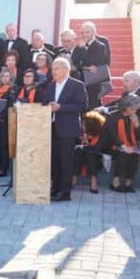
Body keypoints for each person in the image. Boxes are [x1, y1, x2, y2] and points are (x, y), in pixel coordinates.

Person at [43, 57, 88, 202]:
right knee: (54, 160)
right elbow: (45, 103)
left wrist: (61, 107)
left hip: (68, 129)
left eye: (56, 68)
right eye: (52, 68)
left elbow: (83, 106)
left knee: (65, 161)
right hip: (52, 127)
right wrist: (48, 106)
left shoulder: (77, 85)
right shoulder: (50, 86)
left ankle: (65, 192)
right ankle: (55, 188)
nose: (53, 71)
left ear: (65, 69)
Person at [106, 95, 140, 193]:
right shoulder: (113, 116)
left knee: (135, 155)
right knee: (123, 154)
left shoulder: (132, 117)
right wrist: (123, 146)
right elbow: (112, 134)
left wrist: (137, 125)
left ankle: (128, 184)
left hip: (128, 145)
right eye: (133, 108)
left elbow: (138, 137)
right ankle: (115, 183)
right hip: (112, 145)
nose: (135, 111)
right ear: (126, 107)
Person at [72, 111, 108, 194]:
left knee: (90, 154)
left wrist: (87, 144)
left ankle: (93, 179)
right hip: (80, 157)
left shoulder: (103, 135)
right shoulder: (80, 133)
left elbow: (97, 149)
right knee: (79, 151)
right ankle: (74, 177)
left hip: (96, 160)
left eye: (84, 124)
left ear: (92, 126)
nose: (82, 126)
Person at [80, 26, 109, 109]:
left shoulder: (100, 46)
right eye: (82, 32)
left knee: (91, 109)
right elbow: (74, 63)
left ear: (93, 33)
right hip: (80, 82)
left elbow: (94, 63)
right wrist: (86, 67)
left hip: (93, 83)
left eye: (87, 32)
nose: (84, 35)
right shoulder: (80, 46)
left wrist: (83, 66)